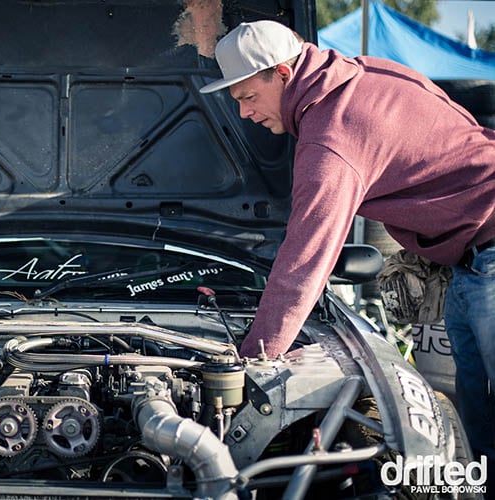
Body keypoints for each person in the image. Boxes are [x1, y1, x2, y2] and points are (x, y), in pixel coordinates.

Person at [199, 19, 494, 482]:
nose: (242, 114)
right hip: (470, 261)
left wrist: (255, 358)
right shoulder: (367, 72)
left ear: (281, 72)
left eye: (247, 97)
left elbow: (304, 262)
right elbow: (459, 128)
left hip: (491, 255)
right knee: (479, 427)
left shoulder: (331, 136)